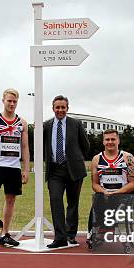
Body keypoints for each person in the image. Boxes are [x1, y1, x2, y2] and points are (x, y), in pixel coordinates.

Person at [0, 88, 30, 248]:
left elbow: (25, 147)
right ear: (3, 100)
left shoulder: (22, 123)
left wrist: (26, 169)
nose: (12, 104)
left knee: (10, 200)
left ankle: (5, 234)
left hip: (14, 167)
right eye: (9, 100)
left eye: (15, 101)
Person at [43, 95, 90, 248]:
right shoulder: (47, 125)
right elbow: (41, 145)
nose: (60, 110)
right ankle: (60, 237)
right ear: (53, 108)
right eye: (58, 107)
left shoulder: (76, 124)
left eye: (63, 107)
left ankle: (70, 235)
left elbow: (85, 145)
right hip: (55, 170)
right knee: (56, 200)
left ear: (67, 108)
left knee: (73, 203)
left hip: (73, 169)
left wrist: (76, 158)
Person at [87, 129, 134, 249]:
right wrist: (104, 191)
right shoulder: (96, 159)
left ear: (118, 141)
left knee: (112, 199)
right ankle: (94, 232)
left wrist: (117, 192)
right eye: (107, 139)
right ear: (103, 142)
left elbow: (133, 184)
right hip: (104, 194)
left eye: (113, 139)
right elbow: (95, 184)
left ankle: (106, 227)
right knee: (97, 199)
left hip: (123, 194)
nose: (110, 142)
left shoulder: (128, 158)